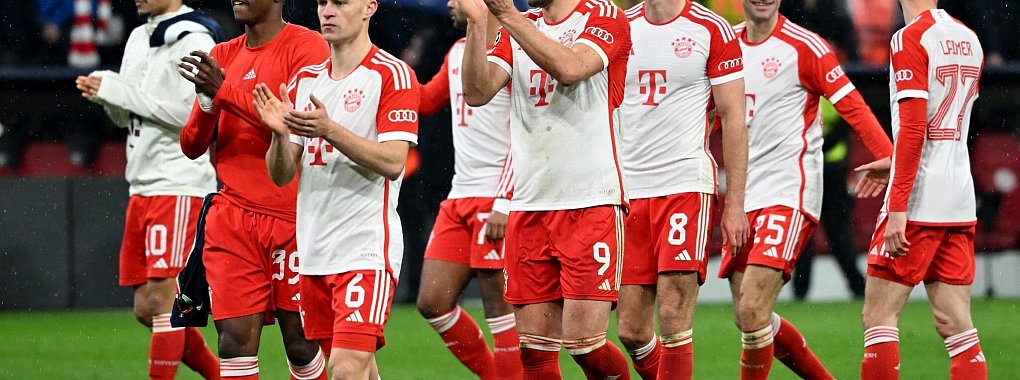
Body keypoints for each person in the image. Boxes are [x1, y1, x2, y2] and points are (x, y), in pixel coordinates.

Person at [720, 0, 894, 379]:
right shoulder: (724, 45)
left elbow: (853, 104)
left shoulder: (806, 46)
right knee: (747, 316)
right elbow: (710, 113)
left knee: (752, 310)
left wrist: (887, 154)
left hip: (790, 189)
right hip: (743, 195)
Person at [461, 0, 633, 375]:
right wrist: (477, 23)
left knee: (584, 343)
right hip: (530, 205)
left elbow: (571, 68)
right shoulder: (519, 26)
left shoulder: (604, 15)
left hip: (591, 201)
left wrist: (506, 16)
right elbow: (476, 92)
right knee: (534, 352)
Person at [255, 0, 419, 377]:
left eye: (340, 2)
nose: (327, 10)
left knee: (345, 370)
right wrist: (279, 137)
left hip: (364, 249)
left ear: (369, 8)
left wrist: (331, 130)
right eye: (322, 2)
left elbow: (394, 162)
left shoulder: (392, 74)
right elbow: (281, 174)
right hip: (313, 253)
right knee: (359, 371)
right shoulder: (304, 81)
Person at [177, 0, 331, 378]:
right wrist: (208, 103)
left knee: (301, 342)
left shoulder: (307, 47)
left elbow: (294, 123)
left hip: (294, 218)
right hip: (233, 220)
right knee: (233, 342)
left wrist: (225, 91)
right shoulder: (221, 55)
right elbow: (192, 145)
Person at [74, 0, 221, 378]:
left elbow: (194, 114)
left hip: (179, 181)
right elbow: (127, 116)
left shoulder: (194, 35)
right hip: (141, 182)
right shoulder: (139, 36)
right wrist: (108, 95)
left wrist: (120, 92)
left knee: (163, 300)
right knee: (146, 308)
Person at [615, 0, 749, 378]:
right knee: (631, 330)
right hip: (627, 191)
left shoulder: (711, 29)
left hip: (684, 184)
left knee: (673, 312)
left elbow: (733, 118)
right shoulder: (619, 28)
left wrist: (735, 204)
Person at [859, 1, 988, 378]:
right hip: (959, 199)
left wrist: (897, 205)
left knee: (879, 317)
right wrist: (895, 161)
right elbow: (948, 124)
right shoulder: (969, 37)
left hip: (918, 200)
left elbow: (916, 129)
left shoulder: (909, 38)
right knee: (956, 324)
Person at [414, 0, 522, 378]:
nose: (449, 4)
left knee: (499, 306)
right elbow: (425, 101)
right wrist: (382, 73)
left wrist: (506, 202)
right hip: (460, 195)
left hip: (498, 197)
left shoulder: (517, 49)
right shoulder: (458, 51)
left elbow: (529, 135)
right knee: (432, 301)